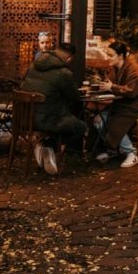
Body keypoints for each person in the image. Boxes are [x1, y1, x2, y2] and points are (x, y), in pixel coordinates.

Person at [20, 42, 86, 175]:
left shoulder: (33, 66)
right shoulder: (64, 73)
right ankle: (48, 145)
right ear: (69, 57)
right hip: (47, 121)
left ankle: (42, 144)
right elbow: (75, 97)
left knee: (60, 115)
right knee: (81, 127)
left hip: (24, 118)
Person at [95, 42, 138, 167]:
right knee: (98, 120)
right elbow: (111, 83)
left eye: (111, 55)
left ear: (121, 56)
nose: (107, 58)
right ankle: (113, 150)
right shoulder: (115, 68)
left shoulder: (134, 70)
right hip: (119, 105)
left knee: (115, 124)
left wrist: (111, 87)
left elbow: (131, 91)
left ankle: (131, 153)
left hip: (133, 107)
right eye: (107, 54)